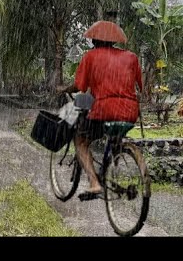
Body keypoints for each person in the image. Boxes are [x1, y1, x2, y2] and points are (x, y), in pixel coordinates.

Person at [57, 20, 143, 201]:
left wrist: (65, 89)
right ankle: (114, 163)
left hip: (104, 109)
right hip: (129, 111)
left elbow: (80, 86)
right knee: (114, 137)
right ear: (114, 41)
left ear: (94, 41)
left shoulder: (91, 57)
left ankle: (95, 183)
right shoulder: (131, 57)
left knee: (81, 141)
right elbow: (140, 86)